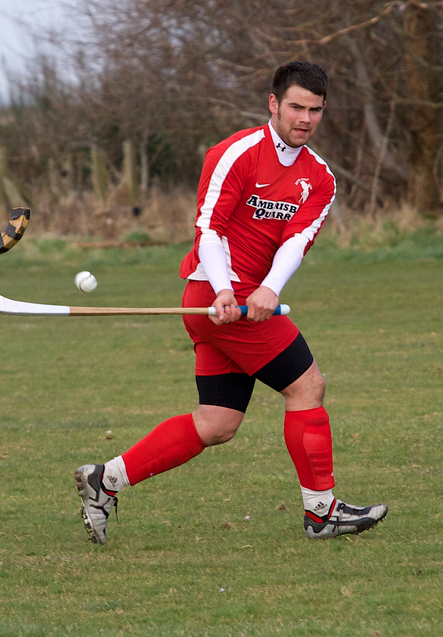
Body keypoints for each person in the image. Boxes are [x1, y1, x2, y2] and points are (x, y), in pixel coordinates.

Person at [74, 62, 387, 545]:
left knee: (217, 422)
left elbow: (296, 242)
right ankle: (322, 512)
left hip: (247, 301)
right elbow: (210, 229)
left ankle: (105, 479)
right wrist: (225, 289)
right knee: (308, 387)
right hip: (215, 294)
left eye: (315, 110)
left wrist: (271, 289)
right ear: (273, 104)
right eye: (296, 107)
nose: (305, 119)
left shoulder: (320, 178)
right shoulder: (234, 153)